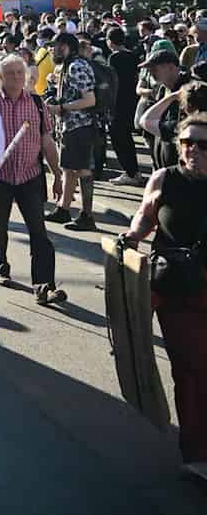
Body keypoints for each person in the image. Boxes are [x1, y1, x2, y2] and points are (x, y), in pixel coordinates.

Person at [121, 111, 207, 474]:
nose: (193, 151)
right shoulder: (165, 178)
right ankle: (197, 451)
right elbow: (145, 215)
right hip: (176, 290)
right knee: (192, 370)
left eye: (203, 145)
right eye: (187, 143)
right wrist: (131, 237)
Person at [0, 55, 65, 304]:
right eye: (10, 73)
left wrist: (56, 173)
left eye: (20, 73)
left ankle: (44, 285)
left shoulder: (36, 102)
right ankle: (0, 265)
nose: (16, 78)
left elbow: (46, 140)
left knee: (39, 232)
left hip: (30, 176)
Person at [44, 32, 99, 231]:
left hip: (81, 126)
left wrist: (63, 108)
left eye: (57, 46)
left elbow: (90, 100)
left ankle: (87, 216)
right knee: (67, 167)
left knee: (82, 169)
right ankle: (63, 209)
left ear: (67, 46)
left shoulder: (77, 67)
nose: (53, 50)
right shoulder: (65, 67)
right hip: (69, 126)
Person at [107, 26, 144, 186]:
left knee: (119, 139)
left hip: (118, 103)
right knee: (127, 139)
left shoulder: (114, 58)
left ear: (110, 41)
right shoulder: (133, 56)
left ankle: (131, 172)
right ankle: (133, 171)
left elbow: (112, 82)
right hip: (132, 101)